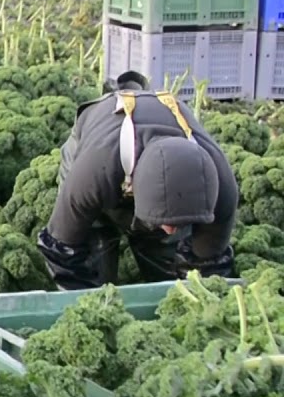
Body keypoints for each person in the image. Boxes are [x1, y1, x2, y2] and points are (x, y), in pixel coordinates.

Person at [36, 70, 238, 291]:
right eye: (168, 223)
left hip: (155, 144)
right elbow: (63, 248)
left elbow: (208, 264)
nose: (171, 229)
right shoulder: (92, 174)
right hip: (103, 135)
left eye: (178, 223)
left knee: (167, 264)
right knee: (93, 265)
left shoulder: (222, 190)